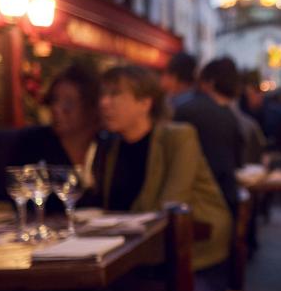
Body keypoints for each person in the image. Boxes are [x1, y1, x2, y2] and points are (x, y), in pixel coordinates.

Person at [88, 65, 231, 278]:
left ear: (145, 102)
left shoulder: (178, 137)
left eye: (115, 94)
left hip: (188, 260)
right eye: (102, 95)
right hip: (126, 255)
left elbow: (170, 206)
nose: (103, 103)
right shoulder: (109, 146)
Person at [0, 63, 100, 218]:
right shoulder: (30, 143)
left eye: (68, 103)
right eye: (54, 100)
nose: (56, 109)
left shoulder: (108, 150)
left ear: (91, 107)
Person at [173, 57, 243, 215]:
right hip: (224, 192)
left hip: (196, 198)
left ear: (209, 83)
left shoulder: (186, 109)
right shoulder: (229, 115)